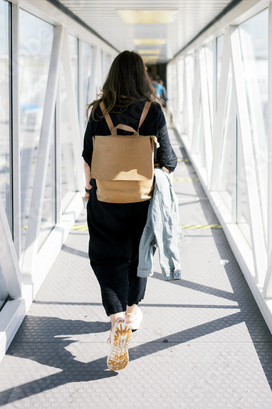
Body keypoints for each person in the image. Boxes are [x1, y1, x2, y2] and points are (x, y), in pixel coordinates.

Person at [82, 51, 177, 371]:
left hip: (105, 199)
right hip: (142, 199)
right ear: (142, 76)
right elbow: (171, 160)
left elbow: (87, 157)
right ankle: (132, 309)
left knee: (106, 257)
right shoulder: (153, 112)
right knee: (137, 257)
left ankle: (116, 318)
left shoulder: (98, 112)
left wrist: (88, 191)